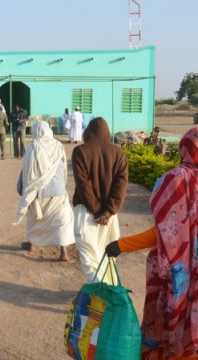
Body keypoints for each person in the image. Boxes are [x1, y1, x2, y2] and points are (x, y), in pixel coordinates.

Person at [105, 126, 198, 359]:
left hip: (179, 278)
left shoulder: (178, 179)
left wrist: (121, 245)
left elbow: (165, 234)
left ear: (185, 146)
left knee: (175, 324)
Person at [71, 116, 128, 283]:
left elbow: (84, 185)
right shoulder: (118, 153)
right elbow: (121, 184)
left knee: (89, 258)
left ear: (89, 131)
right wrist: (109, 211)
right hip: (109, 218)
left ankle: (100, 292)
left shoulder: (80, 151)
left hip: (88, 213)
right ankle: (106, 289)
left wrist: (97, 210)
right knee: (107, 256)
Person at [14, 120, 74, 261]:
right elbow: (64, 167)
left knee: (34, 219)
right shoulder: (59, 146)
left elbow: (27, 172)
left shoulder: (33, 149)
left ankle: (30, 244)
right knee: (62, 221)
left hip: (38, 193)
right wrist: (61, 184)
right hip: (58, 191)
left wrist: (22, 188)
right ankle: (63, 252)